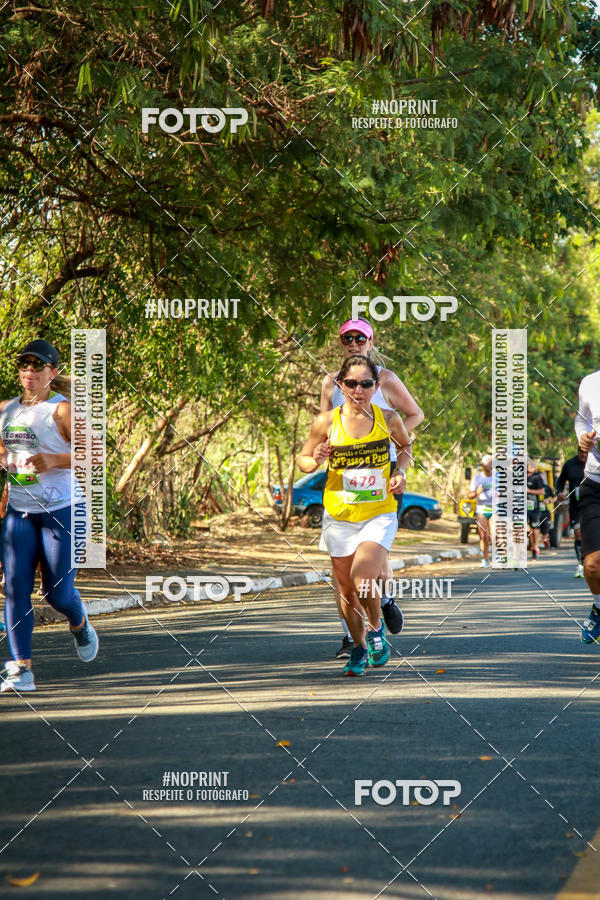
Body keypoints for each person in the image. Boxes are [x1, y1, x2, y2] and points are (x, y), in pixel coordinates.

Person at [299, 354, 411, 676]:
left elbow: (404, 448)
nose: (358, 390)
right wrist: (316, 458)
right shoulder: (326, 422)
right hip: (339, 513)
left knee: (364, 579)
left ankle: (376, 629)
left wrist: (399, 472)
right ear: (340, 385)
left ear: (375, 387)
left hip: (379, 510)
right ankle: (359, 647)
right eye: (351, 383)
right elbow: (304, 460)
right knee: (346, 589)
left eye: (365, 384)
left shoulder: (388, 419)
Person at [320, 318, 423, 656]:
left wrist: (388, 438)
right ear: (340, 343)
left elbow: (415, 415)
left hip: (383, 471)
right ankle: (353, 638)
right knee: (344, 575)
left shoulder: (386, 379)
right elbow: (325, 428)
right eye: (346, 338)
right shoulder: (329, 383)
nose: (353, 342)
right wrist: (326, 450)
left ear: (370, 340)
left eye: (359, 337)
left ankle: (384, 599)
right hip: (344, 479)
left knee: (372, 558)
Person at [0, 339, 99, 692]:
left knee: (56, 594)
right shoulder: (6, 410)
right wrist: (10, 476)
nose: (29, 371)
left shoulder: (63, 411)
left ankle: (79, 621)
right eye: (24, 365)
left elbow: (95, 456)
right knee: (15, 588)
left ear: (52, 372)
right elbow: (6, 452)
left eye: (37, 365)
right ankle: (21, 669)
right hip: (20, 514)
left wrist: (54, 460)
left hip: (62, 510)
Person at [574, 371, 600, 643]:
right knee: (592, 566)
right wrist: (583, 436)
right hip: (595, 483)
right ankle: (599, 608)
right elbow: (582, 419)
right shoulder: (591, 383)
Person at [556, 447, 587, 577]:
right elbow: (560, 481)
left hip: (593, 503)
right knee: (578, 532)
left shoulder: (595, 463)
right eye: (581, 451)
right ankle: (581, 564)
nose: (583, 455)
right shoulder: (570, 464)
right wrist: (560, 492)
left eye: (586, 452)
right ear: (578, 451)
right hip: (576, 505)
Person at [467, 454, 493, 567]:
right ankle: (486, 559)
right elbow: (469, 495)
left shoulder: (499, 477)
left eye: (489, 465)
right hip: (482, 509)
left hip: (496, 508)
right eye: (485, 465)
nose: (487, 468)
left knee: (496, 534)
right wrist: (477, 492)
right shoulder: (477, 478)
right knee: (483, 536)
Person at [526, 459, 546, 560]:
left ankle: (535, 548)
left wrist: (529, 491)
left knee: (534, 528)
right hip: (523, 506)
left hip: (534, 506)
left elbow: (542, 491)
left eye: (531, 465)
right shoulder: (521, 476)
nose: (530, 467)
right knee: (526, 528)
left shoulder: (537, 477)